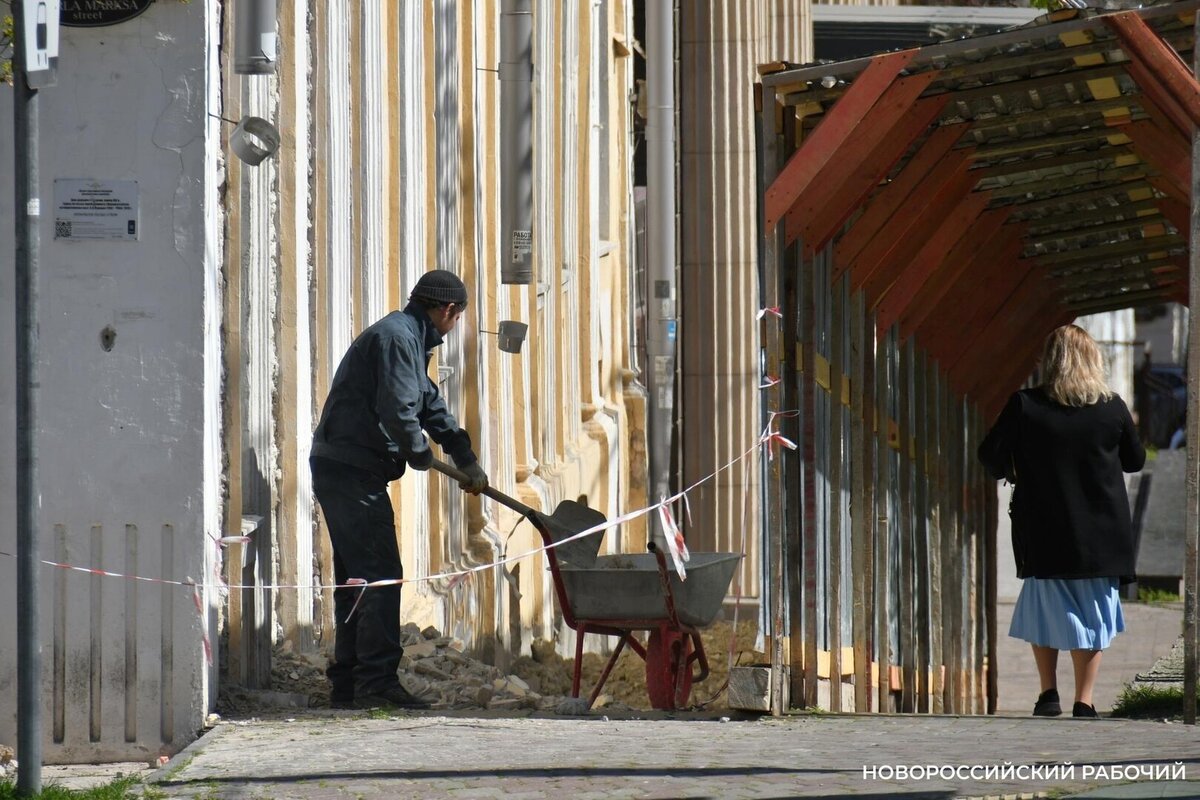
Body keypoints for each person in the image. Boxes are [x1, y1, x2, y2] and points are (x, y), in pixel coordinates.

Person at [310, 269, 489, 710]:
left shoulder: (407, 338)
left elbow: (427, 401)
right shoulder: (397, 340)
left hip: (349, 468)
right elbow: (398, 408)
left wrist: (462, 453)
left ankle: (349, 683)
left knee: (358, 580)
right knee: (381, 575)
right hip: (350, 471)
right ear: (448, 310)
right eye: (458, 316)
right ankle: (375, 682)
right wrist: (417, 449)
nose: (455, 324)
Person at [978, 324, 1145, 719]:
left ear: (1049, 362)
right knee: (1092, 612)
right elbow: (1135, 461)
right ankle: (1084, 701)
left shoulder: (1026, 405)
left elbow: (990, 455)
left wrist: (1016, 468)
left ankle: (1047, 694)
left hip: (1044, 527)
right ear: (1093, 360)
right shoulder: (1112, 407)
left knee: (1045, 606)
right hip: (1101, 534)